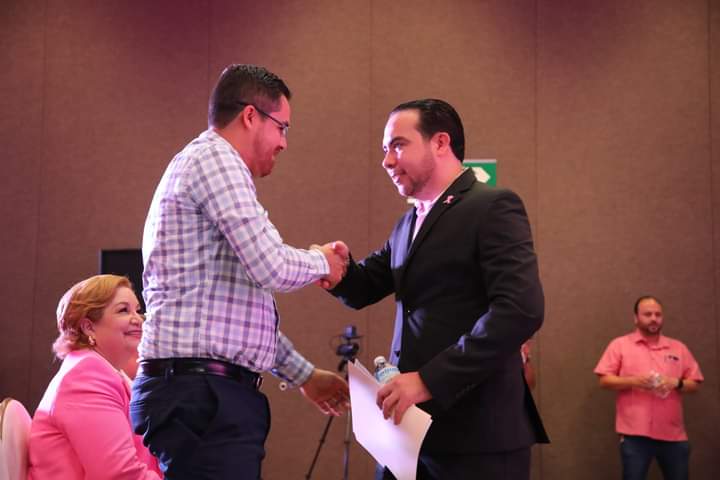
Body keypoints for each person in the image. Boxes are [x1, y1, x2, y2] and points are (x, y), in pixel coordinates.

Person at [130, 64, 350, 480]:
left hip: (201, 393)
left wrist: (304, 375)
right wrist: (325, 261)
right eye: (282, 127)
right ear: (251, 116)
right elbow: (272, 265)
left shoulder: (205, 164)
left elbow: (237, 314)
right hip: (201, 395)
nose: (284, 143)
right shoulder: (216, 159)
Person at [324, 98, 548, 480]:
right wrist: (337, 271)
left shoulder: (493, 206)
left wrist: (429, 379)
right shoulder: (408, 222)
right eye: (384, 150)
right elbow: (366, 286)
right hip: (407, 436)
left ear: (440, 142)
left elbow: (520, 310)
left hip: (478, 437)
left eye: (398, 145)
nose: (386, 161)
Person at [28, 274, 161, 479]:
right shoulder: (86, 377)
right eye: (123, 310)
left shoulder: (100, 368)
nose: (138, 319)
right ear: (89, 327)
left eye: (137, 310)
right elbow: (119, 474)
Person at [594, 295, 703, 480]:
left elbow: (695, 383)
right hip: (635, 436)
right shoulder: (619, 345)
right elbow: (604, 380)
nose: (653, 319)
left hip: (673, 436)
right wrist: (634, 381)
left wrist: (676, 383)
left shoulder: (678, 348)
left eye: (658, 314)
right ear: (636, 318)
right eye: (647, 314)